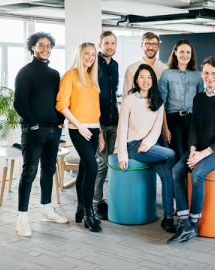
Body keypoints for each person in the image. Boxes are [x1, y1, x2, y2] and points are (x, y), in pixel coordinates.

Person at [167, 57, 215, 244]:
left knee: (197, 173)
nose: (210, 77)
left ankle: (193, 222)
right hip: (199, 149)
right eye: (206, 73)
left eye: (214, 73)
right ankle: (184, 223)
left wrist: (202, 154)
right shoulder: (198, 99)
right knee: (176, 170)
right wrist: (192, 150)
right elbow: (194, 129)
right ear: (201, 74)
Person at [14, 32, 68, 237]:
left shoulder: (54, 74)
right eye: (41, 45)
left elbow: (58, 100)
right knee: (29, 173)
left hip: (54, 130)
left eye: (48, 46)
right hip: (33, 131)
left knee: (48, 170)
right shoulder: (25, 72)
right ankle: (22, 219)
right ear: (32, 48)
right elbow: (19, 102)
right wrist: (33, 125)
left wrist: (60, 121)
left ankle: (46, 210)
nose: (45, 49)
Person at [117, 64, 177, 233]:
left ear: (153, 80)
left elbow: (157, 128)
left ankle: (167, 217)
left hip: (149, 145)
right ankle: (177, 206)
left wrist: (148, 143)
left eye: (149, 77)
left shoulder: (157, 100)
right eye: (142, 77)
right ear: (136, 79)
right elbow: (122, 129)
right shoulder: (129, 100)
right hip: (133, 145)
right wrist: (122, 156)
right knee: (171, 154)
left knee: (167, 176)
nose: (146, 81)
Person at [56, 42, 105, 233]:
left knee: (85, 169)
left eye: (93, 55)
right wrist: (79, 126)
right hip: (78, 129)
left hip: (93, 129)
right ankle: (88, 214)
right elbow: (62, 105)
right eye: (87, 54)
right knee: (92, 168)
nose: (90, 57)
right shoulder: (70, 75)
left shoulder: (92, 78)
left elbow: (95, 110)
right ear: (80, 54)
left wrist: (99, 133)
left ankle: (79, 210)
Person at [159, 39, 204, 161]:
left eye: (188, 52)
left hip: (192, 120)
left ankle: (187, 180)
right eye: (182, 51)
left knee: (190, 155)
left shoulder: (198, 75)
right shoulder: (166, 74)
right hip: (173, 120)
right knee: (178, 156)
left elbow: (201, 105)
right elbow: (161, 104)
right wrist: (164, 127)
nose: (185, 55)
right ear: (175, 52)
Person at [93, 31, 119, 221]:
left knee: (109, 163)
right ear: (100, 44)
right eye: (106, 43)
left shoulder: (115, 65)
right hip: (99, 122)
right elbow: (93, 96)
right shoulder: (94, 64)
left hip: (113, 120)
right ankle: (96, 203)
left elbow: (114, 93)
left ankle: (105, 199)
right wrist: (98, 127)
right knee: (101, 164)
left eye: (113, 43)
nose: (110, 46)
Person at [123, 32, 168, 97]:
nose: (150, 47)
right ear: (142, 46)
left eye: (154, 44)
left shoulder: (164, 69)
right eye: (147, 44)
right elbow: (126, 96)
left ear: (158, 47)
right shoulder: (131, 69)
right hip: (136, 106)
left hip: (158, 106)